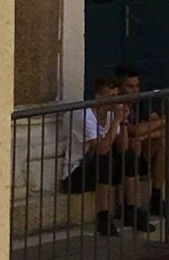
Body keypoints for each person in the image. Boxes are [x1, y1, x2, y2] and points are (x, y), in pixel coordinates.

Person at [59, 73, 139, 239]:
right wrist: (116, 122)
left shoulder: (111, 116)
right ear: (98, 97)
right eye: (111, 97)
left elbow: (122, 147)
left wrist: (123, 122)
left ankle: (130, 208)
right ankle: (103, 215)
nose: (115, 101)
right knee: (105, 160)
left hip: (99, 170)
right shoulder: (84, 116)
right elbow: (101, 149)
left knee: (129, 156)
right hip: (76, 173)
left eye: (117, 96)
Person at [112, 65, 166, 224]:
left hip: (141, 152)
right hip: (119, 157)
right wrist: (143, 131)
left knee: (162, 142)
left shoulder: (142, 104)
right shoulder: (116, 107)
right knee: (133, 147)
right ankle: (130, 206)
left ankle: (156, 196)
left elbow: (164, 126)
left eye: (137, 86)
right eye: (129, 86)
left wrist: (144, 135)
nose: (134, 90)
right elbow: (133, 130)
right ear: (120, 88)